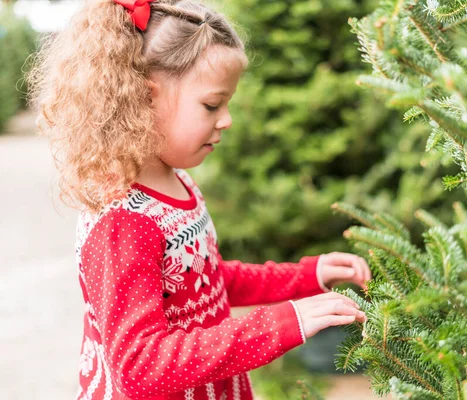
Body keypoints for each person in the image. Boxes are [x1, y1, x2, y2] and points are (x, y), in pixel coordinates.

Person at [27, 1, 372, 399]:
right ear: (146, 98)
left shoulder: (180, 183)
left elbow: (209, 280)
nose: (226, 120)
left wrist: (307, 277)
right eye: (212, 104)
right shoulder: (124, 220)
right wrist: (280, 324)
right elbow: (141, 365)